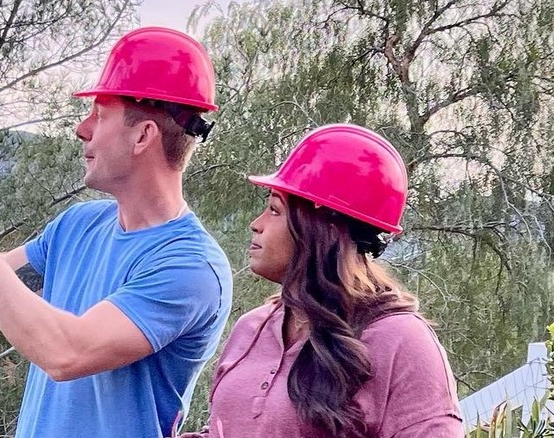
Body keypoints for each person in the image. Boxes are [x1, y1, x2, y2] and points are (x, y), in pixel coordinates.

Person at [0, 27, 233, 438]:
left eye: (100, 114)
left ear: (143, 135)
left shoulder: (190, 268)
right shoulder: (79, 225)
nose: (83, 128)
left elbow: (67, 352)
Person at [182, 124, 462, 437]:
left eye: (274, 210)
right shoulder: (252, 328)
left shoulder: (401, 341)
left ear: (321, 227)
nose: (256, 224)